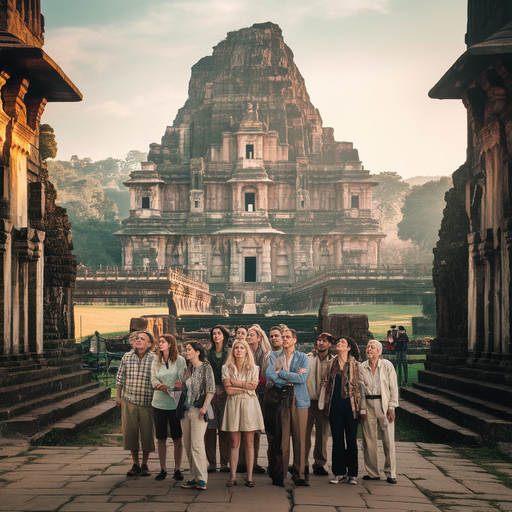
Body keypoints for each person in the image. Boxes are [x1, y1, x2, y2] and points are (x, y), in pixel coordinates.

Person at [266, 328, 310, 486]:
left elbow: (302, 378)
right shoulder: (274, 356)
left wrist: (282, 373)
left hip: (299, 400)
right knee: (283, 438)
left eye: (287, 337)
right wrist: (290, 377)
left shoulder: (303, 357)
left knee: (300, 438)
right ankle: (281, 474)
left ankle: (299, 475)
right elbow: (270, 375)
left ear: (294, 340)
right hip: (282, 398)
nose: (284, 339)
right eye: (282, 337)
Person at [222, 339, 265, 488]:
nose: (239, 350)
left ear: (246, 350)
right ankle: (232, 477)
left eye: (242, 348)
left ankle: (249, 477)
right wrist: (245, 387)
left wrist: (235, 383)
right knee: (234, 443)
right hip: (233, 405)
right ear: (233, 351)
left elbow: (254, 386)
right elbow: (228, 390)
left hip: (249, 406)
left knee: (249, 443)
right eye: (236, 348)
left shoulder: (254, 368)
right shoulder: (226, 367)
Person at [116, 330, 156, 477]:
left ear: (150, 344)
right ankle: (135, 464)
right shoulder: (127, 357)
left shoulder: (154, 359)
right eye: (137, 338)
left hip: (147, 401)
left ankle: (145, 463)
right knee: (131, 432)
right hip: (130, 400)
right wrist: (118, 397)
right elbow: (120, 378)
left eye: (142, 339)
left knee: (147, 433)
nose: (138, 340)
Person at [324, 336, 363, 485]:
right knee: (337, 440)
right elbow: (326, 383)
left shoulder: (356, 365)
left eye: (343, 343)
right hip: (335, 406)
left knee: (351, 441)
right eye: (338, 342)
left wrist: (362, 409)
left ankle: (353, 473)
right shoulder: (330, 364)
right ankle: (339, 472)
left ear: (349, 348)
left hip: (351, 406)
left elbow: (361, 387)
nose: (339, 344)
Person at [360, 339, 399, 484]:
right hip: (368, 404)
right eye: (368, 347)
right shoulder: (362, 366)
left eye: (372, 347)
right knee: (368, 439)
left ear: (379, 351)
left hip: (384, 404)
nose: (369, 349)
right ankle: (372, 472)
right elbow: (360, 389)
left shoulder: (387, 365)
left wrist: (392, 407)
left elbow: (393, 387)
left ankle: (391, 472)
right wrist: (361, 409)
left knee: (388, 439)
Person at [178, 342, 215, 491]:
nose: (186, 352)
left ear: (197, 352)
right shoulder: (188, 369)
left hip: (198, 410)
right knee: (187, 445)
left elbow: (210, 389)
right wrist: (179, 385)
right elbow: (183, 386)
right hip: (185, 411)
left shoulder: (206, 367)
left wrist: (204, 408)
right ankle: (192, 477)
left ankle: (202, 479)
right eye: (185, 350)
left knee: (197, 444)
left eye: (189, 350)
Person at [150, 334, 187, 481]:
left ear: (170, 344)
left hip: (175, 403)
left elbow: (183, 377)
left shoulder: (180, 360)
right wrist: (162, 387)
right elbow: (153, 378)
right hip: (159, 402)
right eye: (159, 342)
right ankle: (163, 468)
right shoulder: (155, 361)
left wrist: (177, 385)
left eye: (163, 342)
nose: (160, 344)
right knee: (161, 437)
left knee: (177, 436)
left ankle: (177, 468)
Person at [239, 324, 272, 474]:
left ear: (259, 337)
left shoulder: (265, 355)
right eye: (248, 335)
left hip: (260, 394)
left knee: (256, 428)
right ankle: (241, 462)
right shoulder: (242, 351)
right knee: (241, 427)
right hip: (243, 392)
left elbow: (267, 375)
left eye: (252, 335)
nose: (249, 337)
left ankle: (254, 461)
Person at [305, 332, 334, 478]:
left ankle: (319, 464)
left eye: (324, 341)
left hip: (324, 404)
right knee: (304, 435)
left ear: (330, 344)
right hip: (308, 402)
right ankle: (302, 463)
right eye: (319, 340)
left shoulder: (333, 361)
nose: (321, 343)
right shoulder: (308, 359)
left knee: (322, 435)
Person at [205, 325, 230, 472]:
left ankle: (224, 462)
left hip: (226, 393)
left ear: (224, 336)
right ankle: (212, 462)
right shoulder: (207, 354)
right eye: (214, 333)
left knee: (224, 429)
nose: (216, 336)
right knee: (209, 429)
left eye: (219, 333)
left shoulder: (229, 353)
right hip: (210, 394)